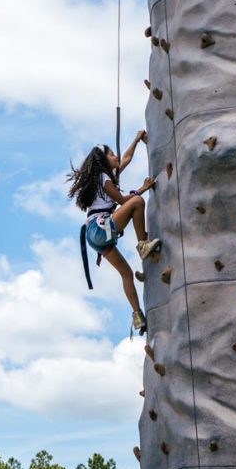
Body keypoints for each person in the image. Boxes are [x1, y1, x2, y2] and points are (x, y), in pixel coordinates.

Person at [67, 130, 161, 334]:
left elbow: (125, 158)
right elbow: (123, 202)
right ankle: (143, 244)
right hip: (99, 229)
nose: (116, 157)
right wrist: (144, 188)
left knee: (126, 273)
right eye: (111, 155)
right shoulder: (104, 178)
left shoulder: (103, 177)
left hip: (96, 237)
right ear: (103, 161)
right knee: (137, 202)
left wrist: (136, 140)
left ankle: (137, 316)